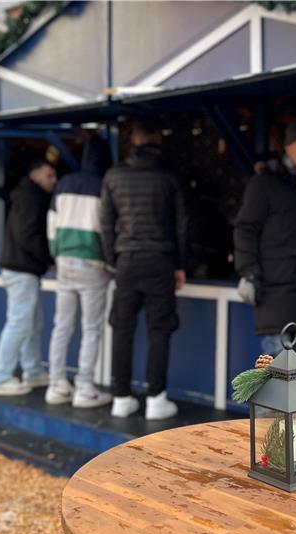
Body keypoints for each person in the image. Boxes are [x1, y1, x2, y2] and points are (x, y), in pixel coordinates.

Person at [100, 119, 188, 420]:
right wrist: (180, 264)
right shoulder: (168, 177)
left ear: (132, 141)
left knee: (122, 329)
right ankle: (156, 399)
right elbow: (182, 225)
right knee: (159, 330)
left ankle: (121, 397)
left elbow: (105, 225)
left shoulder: (113, 176)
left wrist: (113, 259)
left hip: (126, 261)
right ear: (157, 140)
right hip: (160, 261)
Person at [234, 123, 296, 359]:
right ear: (287, 148)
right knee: (278, 378)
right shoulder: (265, 182)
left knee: (295, 377)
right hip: (275, 295)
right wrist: (248, 273)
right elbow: (245, 229)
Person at [45, 137, 113, 408]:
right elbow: (106, 228)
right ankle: (84, 387)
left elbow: (51, 226)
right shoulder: (103, 186)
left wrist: (56, 252)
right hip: (92, 264)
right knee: (91, 329)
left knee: (61, 326)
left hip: (63, 261)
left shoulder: (63, 184)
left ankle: (56, 385)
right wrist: (110, 262)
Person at [0, 160, 57, 396]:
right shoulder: (31, 197)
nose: (53, 180)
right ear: (34, 174)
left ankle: (34, 372)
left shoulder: (27, 195)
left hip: (22, 269)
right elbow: (27, 234)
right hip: (22, 270)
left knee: (32, 323)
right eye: (49, 175)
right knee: (19, 323)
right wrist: (49, 257)